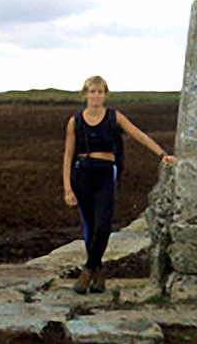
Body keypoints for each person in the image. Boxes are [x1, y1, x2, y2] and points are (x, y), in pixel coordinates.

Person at [63, 75, 178, 294]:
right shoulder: (75, 122)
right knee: (90, 227)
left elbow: (138, 134)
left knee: (103, 226)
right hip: (82, 175)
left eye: (100, 91)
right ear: (85, 94)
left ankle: (88, 269)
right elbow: (68, 155)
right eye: (92, 91)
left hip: (105, 175)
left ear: (105, 95)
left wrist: (161, 154)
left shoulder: (114, 117)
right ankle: (98, 274)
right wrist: (68, 188)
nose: (96, 95)